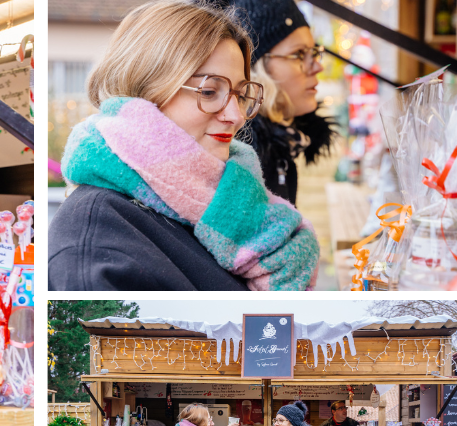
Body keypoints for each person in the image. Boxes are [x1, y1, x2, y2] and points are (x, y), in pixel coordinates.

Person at [49, 0, 319, 291]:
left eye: (240, 94)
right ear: (147, 89)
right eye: (209, 91)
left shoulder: (228, 200)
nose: (237, 116)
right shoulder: (96, 240)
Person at [229, 0, 338, 205]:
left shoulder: (282, 144)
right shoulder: (239, 159)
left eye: (314, 53)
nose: (317, 67)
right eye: (298, 54)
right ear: (256, 68)